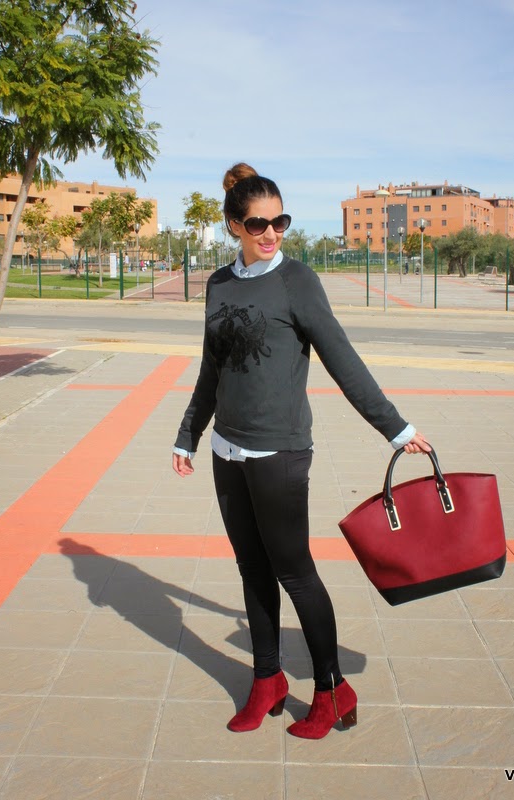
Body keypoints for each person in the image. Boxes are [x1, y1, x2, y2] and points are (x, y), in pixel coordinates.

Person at [172, 163, 431, 740]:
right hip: (226, 449)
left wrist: (395, 427)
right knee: (250, 567)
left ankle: (334, 690)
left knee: (295, 572)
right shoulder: (219, 284)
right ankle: (266, 681)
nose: (271, 233)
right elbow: (213, 368)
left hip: (280, 452)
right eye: (257, 224)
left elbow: (341, 357)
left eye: (280, 222)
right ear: (234, 226)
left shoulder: (297, 280)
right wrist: (189, 433)